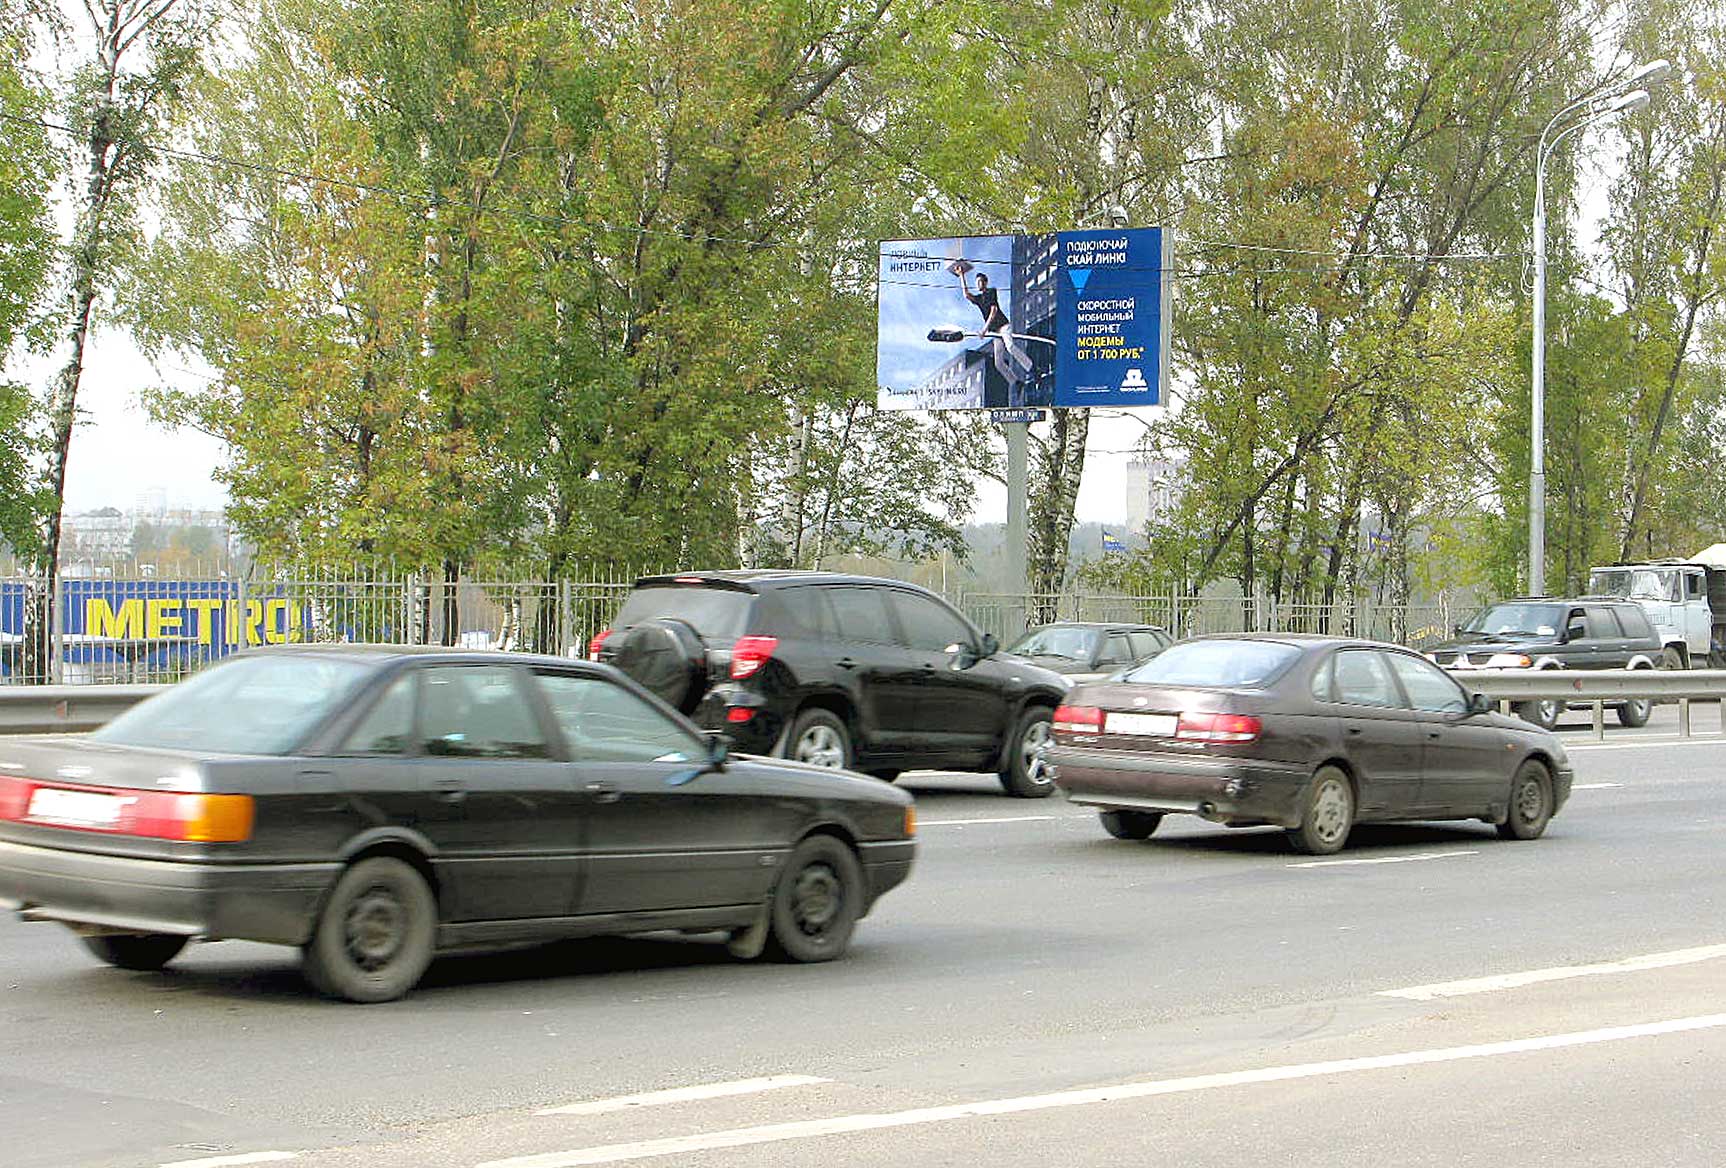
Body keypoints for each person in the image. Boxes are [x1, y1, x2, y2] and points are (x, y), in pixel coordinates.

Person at [958, 269, 1034, 403]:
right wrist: (961, 275)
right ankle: (1016, 382)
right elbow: (966, 295)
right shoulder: (979, 298)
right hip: (995, 332)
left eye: (980, 282)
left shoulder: (991, 292)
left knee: (1010, 347)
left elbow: (993, 311)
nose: (978, 284)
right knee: (998, 363)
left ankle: (1031, 368)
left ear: (985, 283)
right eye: (977, 283)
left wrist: (984, 329)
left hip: (1003, 326)